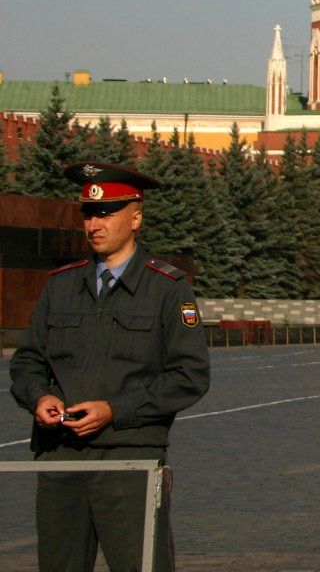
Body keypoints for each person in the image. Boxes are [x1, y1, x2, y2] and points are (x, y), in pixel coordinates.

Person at [9, 162, 210, 572]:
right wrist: (39, 397)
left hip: (129, 458)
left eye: (107, 213)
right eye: (88, 214)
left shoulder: (168, 288)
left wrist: (115, 410)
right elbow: (28, 360)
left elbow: (189, 376)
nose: (94, 224)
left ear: (135, 218)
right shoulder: (61, 285)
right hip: (61, 457)